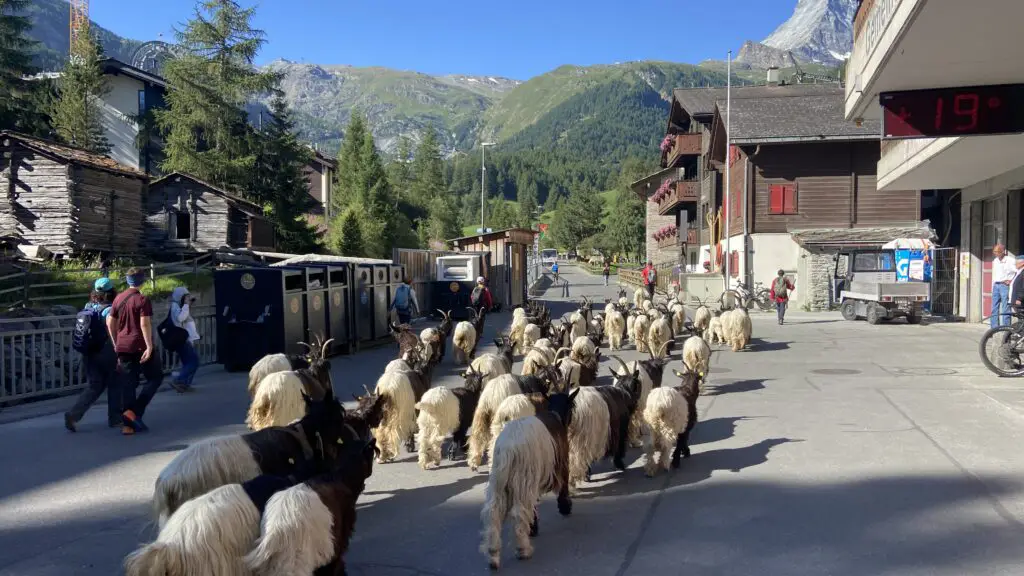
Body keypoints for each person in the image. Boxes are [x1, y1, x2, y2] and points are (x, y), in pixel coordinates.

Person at [108, 267, 165, 435]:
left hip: (123, 346)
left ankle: (128, 425)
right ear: (143, 281)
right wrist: (149, 346)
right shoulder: (142, 299)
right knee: (155, 378)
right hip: (139, 345)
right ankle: (136, 412)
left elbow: (110, 322)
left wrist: (115, 342)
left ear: (127, 281)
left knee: (128, 383)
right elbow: (144, 323)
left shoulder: (118, 299)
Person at [64, 278, 121, 432]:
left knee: (94, 385)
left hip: (90, 352)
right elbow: (112, 330)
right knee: (115, 384)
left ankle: (73, 414)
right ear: (111, 292)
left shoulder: (89, 307)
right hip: (107, 351)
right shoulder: (109, 310)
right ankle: (115, 419)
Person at [169, 286, 200, 392]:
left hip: (185, 338)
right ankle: (179, 380)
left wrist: (187, 304)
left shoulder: (178, 306)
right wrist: (186, 305)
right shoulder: (175, 306)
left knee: (188, 362)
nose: (187, 299)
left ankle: (184, 384)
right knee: (193, 361)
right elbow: (180, 318)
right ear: (180, 297)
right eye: (186, 297)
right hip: (182, 339)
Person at [991, 244, 1017, 328]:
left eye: (997, 252)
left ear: (1003, 251)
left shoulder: (1010, 260)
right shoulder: (995, 260)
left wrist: (1011, 280)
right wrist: (993, 285)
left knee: (1005, 307)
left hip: (1004, 286)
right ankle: (994, 327)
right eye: (994, 251)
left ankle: (1006, 327)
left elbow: (1017, 271)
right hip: (996, 285)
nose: (995, 253)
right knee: (994, 307)